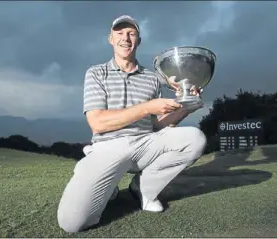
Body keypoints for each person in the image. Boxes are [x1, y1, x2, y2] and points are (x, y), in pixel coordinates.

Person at [57, 15, 207, 233]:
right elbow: (97, 123)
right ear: (110, 39)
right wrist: (147, 107)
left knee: (194, 138)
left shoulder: (152, 78)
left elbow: (156, 125)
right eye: (119, 33)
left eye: (131, 33)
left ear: (139, 40)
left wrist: (187, 106)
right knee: (72, 223)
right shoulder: (97, 73)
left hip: (146, 143)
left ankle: (143, 188)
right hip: (108, 147)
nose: (125, 38)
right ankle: (107, 185)